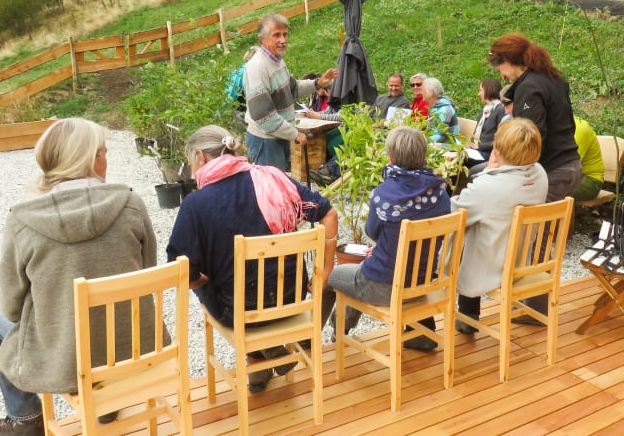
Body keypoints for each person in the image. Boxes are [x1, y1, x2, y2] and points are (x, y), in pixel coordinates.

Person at [0, 118, 162, 436]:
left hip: (65, 362)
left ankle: (25, 421)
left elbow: (12, 310)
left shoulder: (22, 222)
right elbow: (148, 274)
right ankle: (107, 405)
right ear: (91, 158)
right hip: (138, 352)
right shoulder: (132, 204)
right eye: (104, 152)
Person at [166, 125, 338, 392]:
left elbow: (181, 272)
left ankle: (260, 355)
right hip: (290, 297)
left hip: (239, 310)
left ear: (201, 156)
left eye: (190, 161)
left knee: (208, 281)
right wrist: (324, 273)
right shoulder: (273, 177)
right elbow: (329, 215)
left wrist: (203, 281)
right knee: (241, 280)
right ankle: (263, 353)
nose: (191, 168)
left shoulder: (196, 204)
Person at [321, 126, 451, 352]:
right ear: (423, 155)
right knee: (363, 270)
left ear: (390, 157)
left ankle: (331, 334)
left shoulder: (384, 194)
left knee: (332, 278)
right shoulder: (440, 191)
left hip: (385, 286)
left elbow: (372, 232)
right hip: (423, 281)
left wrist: (382, 249)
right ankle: (423, 334)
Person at [488, 32, 581, 324]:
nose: (500, 74)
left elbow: (529, 140)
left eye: (500, 67)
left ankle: (536, 309)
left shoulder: (530, 87)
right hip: (569, 165)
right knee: (539, 235)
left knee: (534, 237)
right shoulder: (552, 77)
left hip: (553, 171)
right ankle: (534, 304)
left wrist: (506, 174)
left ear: (510, 61)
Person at [451, 118, 549, 333]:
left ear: (500, 149)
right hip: (522, 260)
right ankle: (467, 316)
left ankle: (467, 315)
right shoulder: (540, 174)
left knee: (461, 237)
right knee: (481, 227)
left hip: (494, 266)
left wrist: (488, 170)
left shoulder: (489, 187)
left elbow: (452, 213)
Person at [243, 13, 338, 171]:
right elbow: (263, 116)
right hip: (265, 140)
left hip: (277, 136)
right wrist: (294, 134)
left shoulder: (277, 61)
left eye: (285, 34)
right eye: (277, 35)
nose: (283, 40)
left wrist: (318, 83)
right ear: (263, 39)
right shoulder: (258, 67)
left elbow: (292, 89)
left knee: (279, 185)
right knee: (271, 189)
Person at [465, 78, 506, 165]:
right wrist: (470, 145)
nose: (478, 94)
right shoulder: (484, 111)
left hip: (488, 153)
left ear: (488, 90)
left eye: (480, 90)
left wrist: (479, 146)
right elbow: (476, 134)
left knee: (460, 158)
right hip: (476, 150)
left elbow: (502, 140)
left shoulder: (500, 110)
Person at [572, 116, 605, 202]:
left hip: (590, 181)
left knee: (545, 188)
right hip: (570, 177)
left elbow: (569, 166)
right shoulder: (553, 126)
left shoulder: (578, 128)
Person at [422, 77, 459, 144]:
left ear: (431, 92)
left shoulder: (445, 109)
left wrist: (422, 141)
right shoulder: (434, 107)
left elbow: (442, 136)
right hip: (436, 143)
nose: (422, 93)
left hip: (449, 145)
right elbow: (430, 130)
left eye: (423, 90)